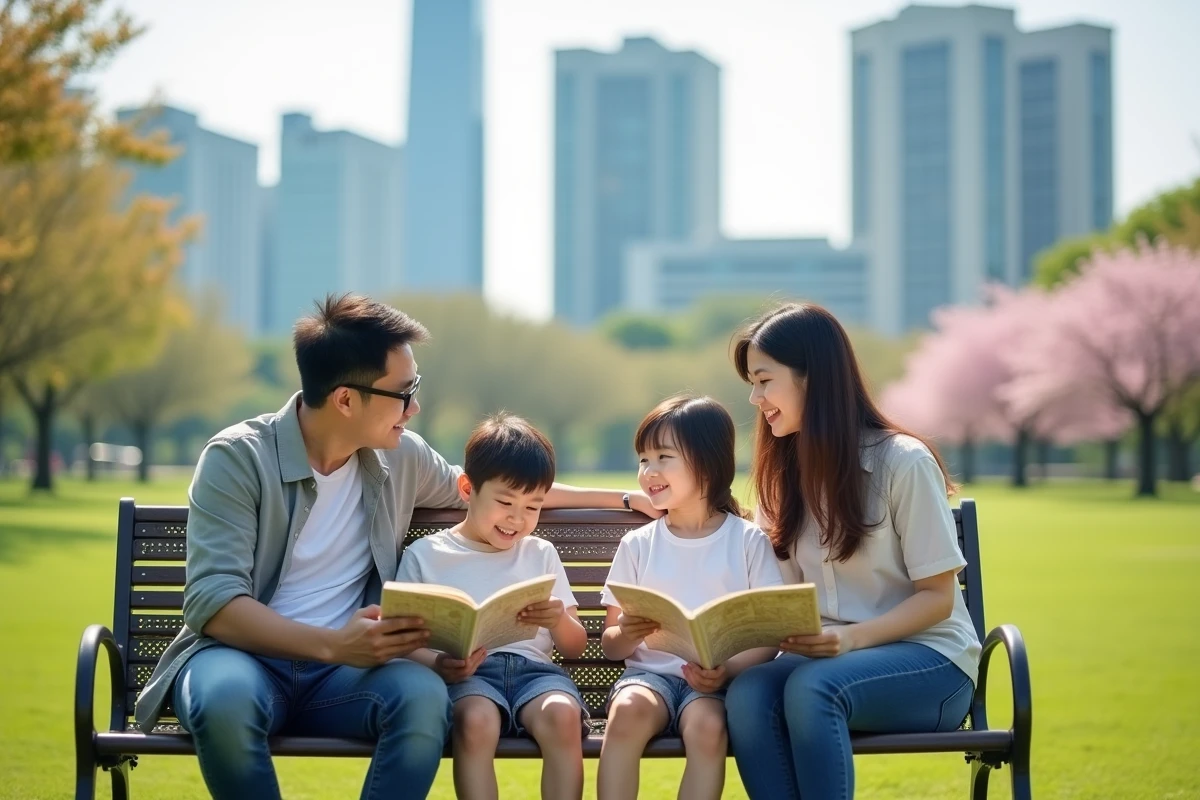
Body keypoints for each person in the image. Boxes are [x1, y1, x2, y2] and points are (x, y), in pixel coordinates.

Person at [133, 294, 657, 800]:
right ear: (345, 400)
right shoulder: (237, 459)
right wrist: (334, 645)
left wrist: (622, 498)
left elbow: (495, 485)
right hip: (245, 661)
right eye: (404, 393)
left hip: (347, 675)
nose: (415, 407)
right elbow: (214, 603)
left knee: (424, 699)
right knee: (223, 701)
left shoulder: (400, 456)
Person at [723, 303, 982, 799]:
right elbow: (780, 601)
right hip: (824, 661)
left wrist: (851, 639)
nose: (755, 398)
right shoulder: (779, 479)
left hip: (932, 662)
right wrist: (727, 655)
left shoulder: (902, 462)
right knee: (749, 694)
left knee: (813, 688)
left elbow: (937, 597)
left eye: (764, 381)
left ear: (812, 377)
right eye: (752, 384)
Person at [597, 395, 784, 800]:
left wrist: (727, 670)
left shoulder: (747, 541)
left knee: (708, 728)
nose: (649, 471)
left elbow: (769, 636)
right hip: (648, 679)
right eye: (643, 459)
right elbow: (611, 645)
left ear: (707, 463)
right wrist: (626, 633)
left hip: (711, 684)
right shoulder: (638, 544)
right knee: (626, 712)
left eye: (664, 457)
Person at [396, 413, 588, 800]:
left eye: (532, 507)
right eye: (505, 502)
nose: (517, 519)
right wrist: (439, 663)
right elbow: (401, 641)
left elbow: (575, 646)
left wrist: (558, 619)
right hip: (470, 677)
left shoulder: (540, 553)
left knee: (562, 714)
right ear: (468, 489)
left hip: (536, 675)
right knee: (475, 721)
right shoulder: (426, 555)